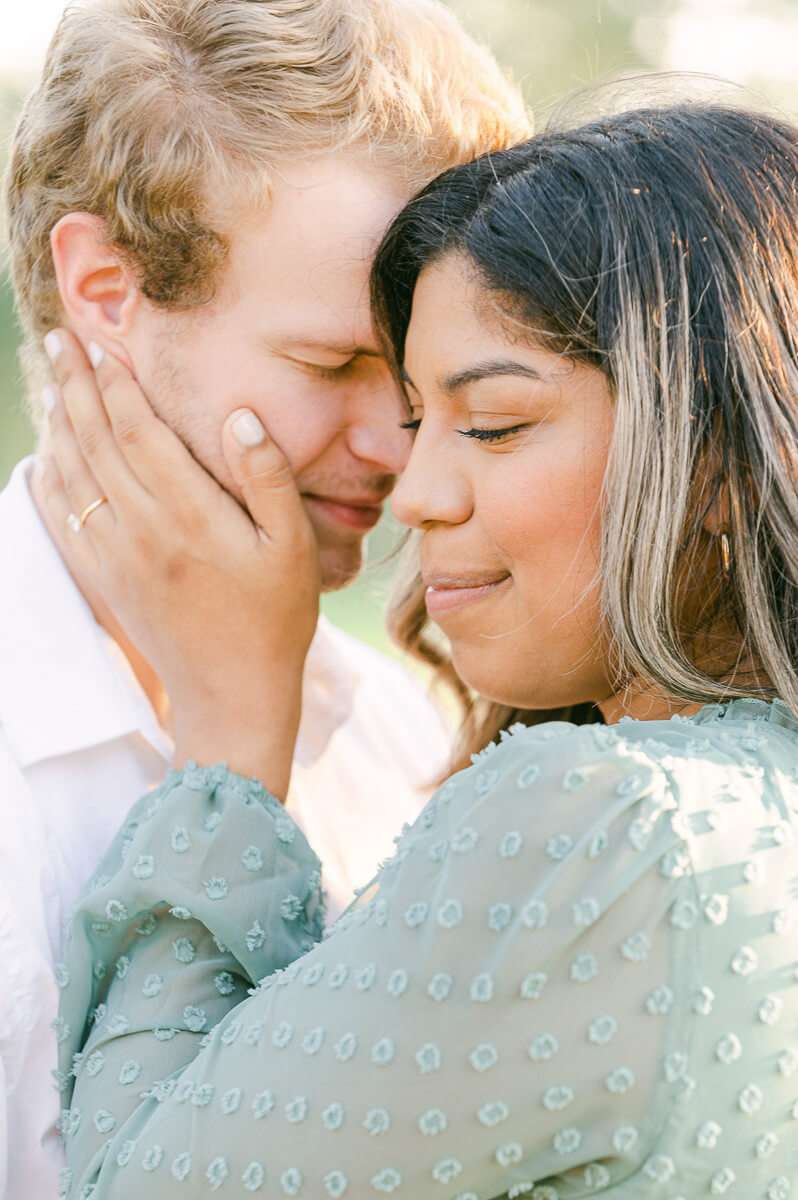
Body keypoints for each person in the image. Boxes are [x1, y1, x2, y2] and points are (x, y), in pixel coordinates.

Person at [47, 98, 798, 1198]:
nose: (414, 493)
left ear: (726, 460)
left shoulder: (609, 829)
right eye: (414, 418)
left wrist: (229, 729)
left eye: (492, 423)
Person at [0, 0, 531, 1194]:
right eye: (333, 363)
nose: (405, 447)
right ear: (102, 289)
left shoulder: (402, 736)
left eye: (428, 378)